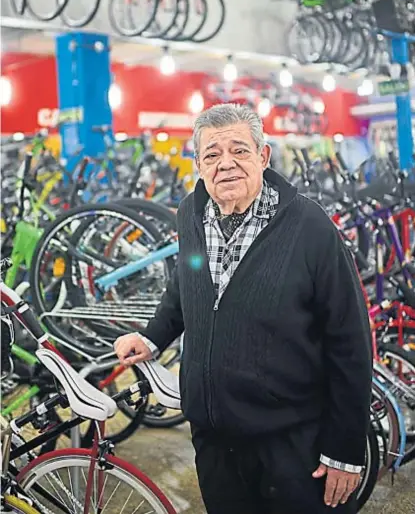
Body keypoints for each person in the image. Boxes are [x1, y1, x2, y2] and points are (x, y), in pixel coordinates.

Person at [114, 103, 372, 514]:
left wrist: (345, 448)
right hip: (214, 439)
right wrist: (152, 336)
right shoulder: (190, 215)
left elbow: (351, 343)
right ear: (197, 163)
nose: (226, 164)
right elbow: (185, 286)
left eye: (239, 150)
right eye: (212, 154)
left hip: (292, 442)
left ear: (263, 156)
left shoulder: (310, 227)